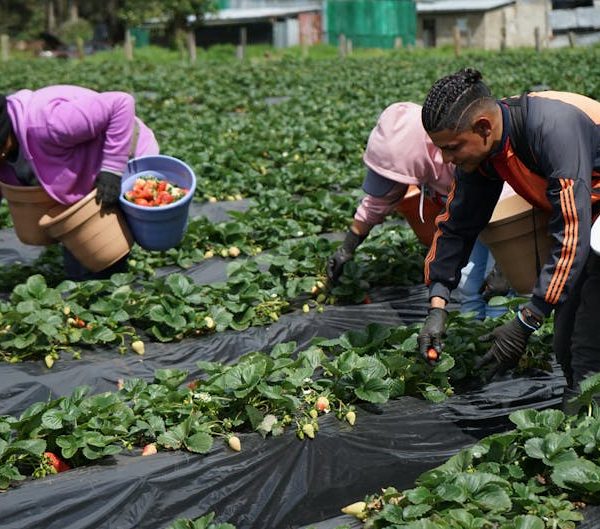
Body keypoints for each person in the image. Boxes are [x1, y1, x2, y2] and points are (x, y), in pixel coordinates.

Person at [416, 68, 600, 404]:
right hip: (591, 226)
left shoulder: (551, 130)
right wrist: (438, 304)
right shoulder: (487, 154)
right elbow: (456, 225)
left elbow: (571, 231)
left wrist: (526, 321)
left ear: (483, 128)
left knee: (588, 352)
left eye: (452, 147)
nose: (446, 159)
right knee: (565, 344)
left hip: (591, 227)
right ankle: (580, 423)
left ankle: (584, 427)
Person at [326, 101, 510, 319]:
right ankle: (476, 333)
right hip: (472, 220)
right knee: (469, 284)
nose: (393, 184)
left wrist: (505, 265)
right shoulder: (422, 163)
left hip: (508, 224)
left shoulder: (463, 154)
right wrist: (347, 247)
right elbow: (378, 202)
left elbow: (510, 204)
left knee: (500, 291)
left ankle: (502, 331)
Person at [0, 85, 159, 280]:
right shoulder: (9, 146)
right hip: (81, 169)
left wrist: (112, 169)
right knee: (80, 261)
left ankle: (112, 278)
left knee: (102, 256)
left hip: (125, 153)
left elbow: (121, 103)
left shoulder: (51, 123)